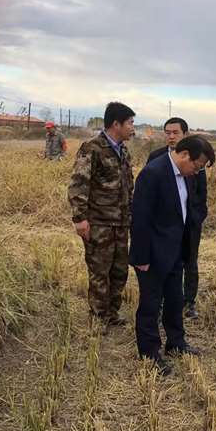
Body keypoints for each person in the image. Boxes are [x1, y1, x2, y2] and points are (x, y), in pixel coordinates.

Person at [129, 135, 215, 376]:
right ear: (185, 154)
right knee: (150, 305)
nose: (197, 172)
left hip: (175, 250)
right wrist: (141, 257)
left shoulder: (186, 176)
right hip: (153, 254)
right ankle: (150, 353)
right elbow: (140, 218)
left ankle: (176, 342)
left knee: (175, 300)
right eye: (197, 166)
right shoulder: (153, 173)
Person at [68, 102, 135, 333]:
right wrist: (80, 218)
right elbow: (79, 184)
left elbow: (128, 186)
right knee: (99, 272)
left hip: (121, 223)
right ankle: (98, 317)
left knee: (119, 271)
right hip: (99, 223)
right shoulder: (92, 148)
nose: (132, 127)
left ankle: (112, 313)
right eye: (130, 123)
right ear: (116, 124)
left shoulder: (123, 151)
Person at [147, 118, 210, 320]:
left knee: (190, 261)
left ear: (185, 134)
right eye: (168, 133)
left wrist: (196, 218)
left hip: (190, 223)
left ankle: (189, 302)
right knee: (163, 261)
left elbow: (201, 194)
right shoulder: (156, 158)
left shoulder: (196, 158)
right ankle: (161, 302)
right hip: (165, 225)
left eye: (175, 132)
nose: (171, 136)